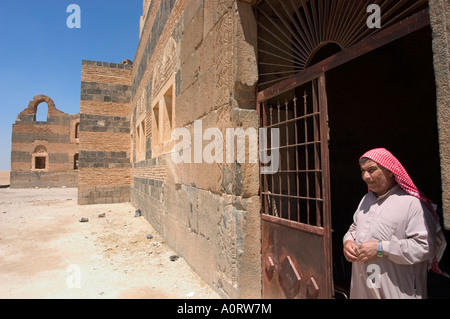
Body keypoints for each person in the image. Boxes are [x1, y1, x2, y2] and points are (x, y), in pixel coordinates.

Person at [343, 148, 447, 299]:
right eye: (363, 171)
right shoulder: (366, 200)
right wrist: (348, 242)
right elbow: (354, 228)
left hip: (398, 289)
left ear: (390, 171)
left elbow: (425, 247)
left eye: (372, 170)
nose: (365, 176)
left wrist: (381, 248)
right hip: (365, 287)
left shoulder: (412, 204)